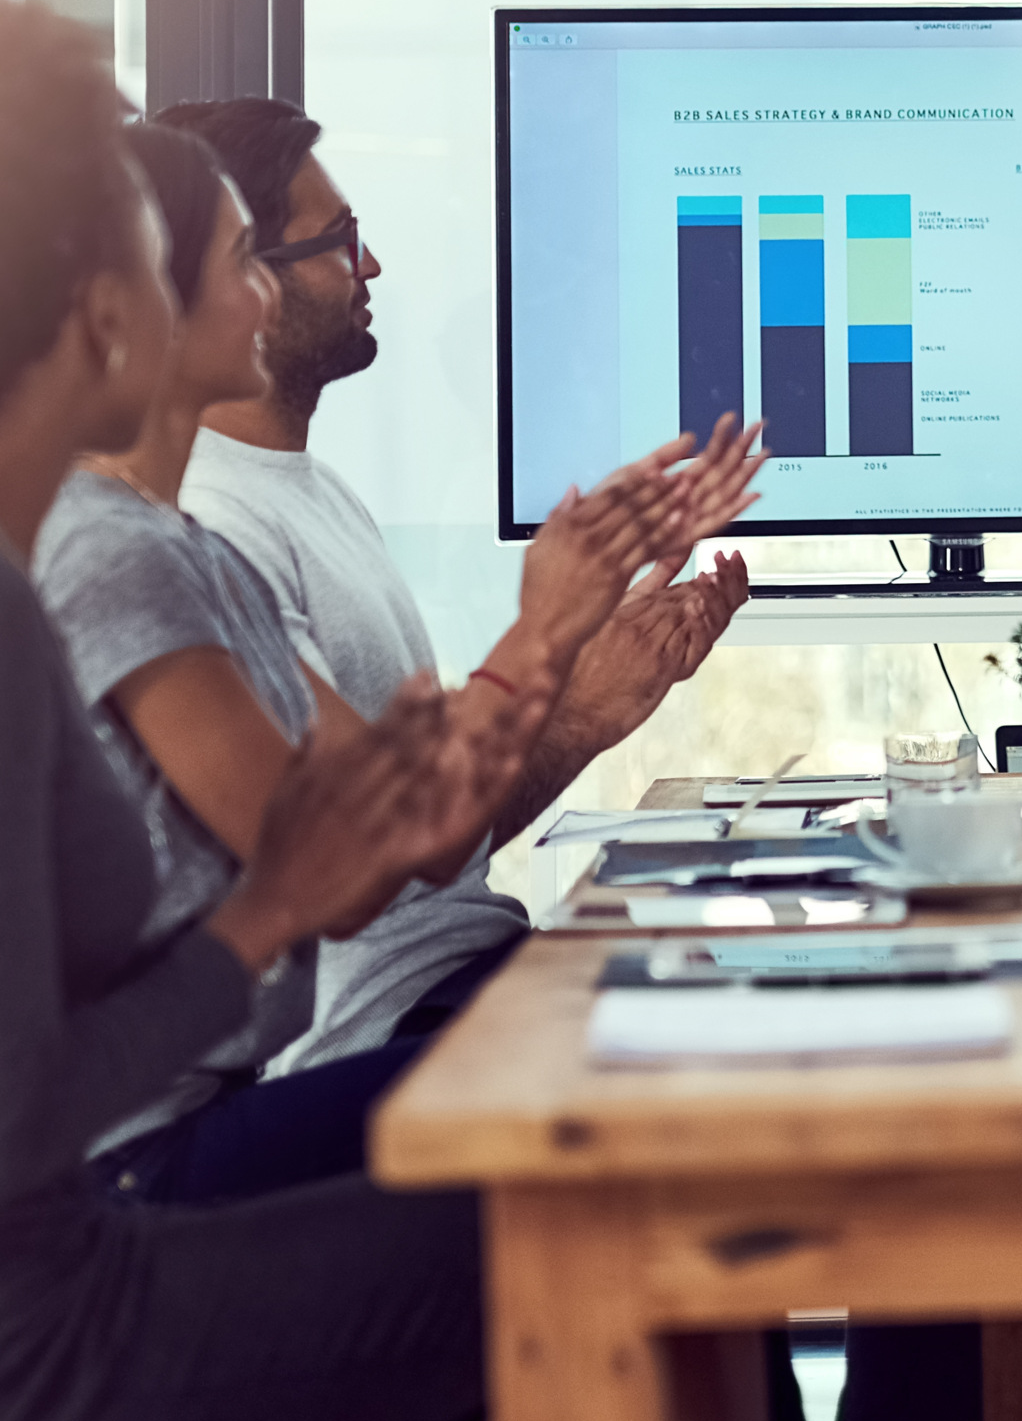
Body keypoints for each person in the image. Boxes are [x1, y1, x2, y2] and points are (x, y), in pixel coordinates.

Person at [0, 0, 694, 1421]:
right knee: (612, 1227)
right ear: (77, 295)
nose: (216, 278)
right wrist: (269, 917)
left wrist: (527, 680)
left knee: (595, 1209)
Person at [37, 119, 761, 1200]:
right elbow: (367, 865)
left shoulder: (279, 502)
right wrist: (547, 647)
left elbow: (418, 837)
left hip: (432, 984)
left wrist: (575, 687)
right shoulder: (178, 534)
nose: (367, 264)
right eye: (321, 244)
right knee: (692, 1092)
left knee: (748, 1033)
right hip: (331, 1055)